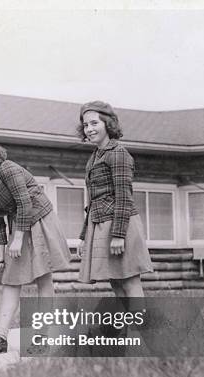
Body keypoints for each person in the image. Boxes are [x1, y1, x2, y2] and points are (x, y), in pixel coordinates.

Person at [0, 136, 71, 355]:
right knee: (11, 279)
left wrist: (18, 239)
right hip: (18, 223)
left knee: (43, 278)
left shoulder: (8, 169)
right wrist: (1, 252)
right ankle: (1, 338)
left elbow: (24, 202)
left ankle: (42, 338)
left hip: (39, 220)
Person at [76, 100, 153, 299]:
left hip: (120, 225)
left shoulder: (118, 154)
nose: (89, 129)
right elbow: (93, 201)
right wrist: (84, 236)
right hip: (101, 224)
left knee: (129, 281)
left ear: (107, 124)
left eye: (94, 123)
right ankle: (127, 329)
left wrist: (118, 235)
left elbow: (124, 197)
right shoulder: (94, 157)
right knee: (116, 283)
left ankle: (139, 330)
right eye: (86, 125)